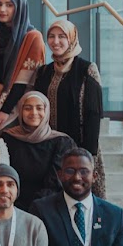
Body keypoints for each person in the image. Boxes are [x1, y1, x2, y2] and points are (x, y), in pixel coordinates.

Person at [32, 20, 106, 196]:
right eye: (51, 36)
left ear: (72, 39)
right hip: (50, 148)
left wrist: (88, 154)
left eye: (62, 36)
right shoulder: (43, 72)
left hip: (80, 146)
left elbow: (94, 114)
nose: (55, 41)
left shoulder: (86, 69)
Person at [3, 91, 77, 211]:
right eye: (28, 108)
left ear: (46, 111)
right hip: (12, 203)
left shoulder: (62, 142)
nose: (34, 113)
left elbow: (56, 182)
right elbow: (4, 172)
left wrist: (35, 207)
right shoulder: (8, 138)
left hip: (49, 205)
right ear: (20, 111)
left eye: (39, 108)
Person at [0, 0, 46, 131]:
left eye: (9, 5)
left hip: (15, 106)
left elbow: (24, 81)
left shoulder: (32, 37)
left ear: (20, 8)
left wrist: (5, 111)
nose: (2, 9)